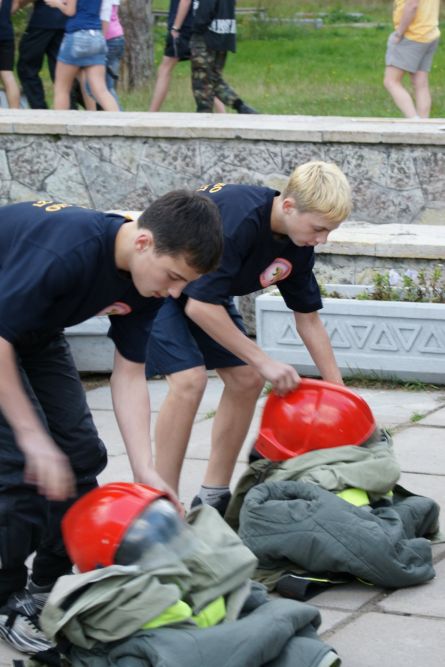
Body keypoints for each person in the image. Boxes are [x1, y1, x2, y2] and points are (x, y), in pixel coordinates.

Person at [0, 192, 223, 654]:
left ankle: (48, 585)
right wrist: (31, 436)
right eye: (174, 277)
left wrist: (145, 470)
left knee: (80, 455)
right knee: (22, 465)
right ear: (143, 242)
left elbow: (129, 374)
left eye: (185, 283)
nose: (175, 293)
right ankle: (5, 601)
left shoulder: (146, 282)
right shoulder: (68, 251)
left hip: (34, 331)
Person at [147, 161, 352, 514]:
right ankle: (161, 502)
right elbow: (200, 308)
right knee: (189, 380)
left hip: (202, 292)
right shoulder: (239, 220)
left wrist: (341, 393)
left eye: (329, 231)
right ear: (289, 206)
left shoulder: (298, 244)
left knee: (246, 379)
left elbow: (308, 320)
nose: (322, 239)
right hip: (155, 283)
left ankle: (213, 496)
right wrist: (265, 360)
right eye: (319, 228)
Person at [149, 0, 224, 112]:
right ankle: (222, 113)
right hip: (200, 24)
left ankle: (152, 113)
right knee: (204, 74)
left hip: (185, 26)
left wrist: (176, 27)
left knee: (165, 68)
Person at [43, 0, 119, 111]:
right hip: (96, 35)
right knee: (101, 90)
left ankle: (59, 121)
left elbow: (70, 11)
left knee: (62, 89)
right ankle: (118, 119)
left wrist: (57, 3)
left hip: (77, 35)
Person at [190, 0, 257, 113]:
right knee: (214, 79)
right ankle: (241, 106)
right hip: (223, 34)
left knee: (201, 80)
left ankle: (204, 115)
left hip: (206, 37)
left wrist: (195, 28)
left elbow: (206, 9)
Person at [383, 0, 440, 118]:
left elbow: (412, 5)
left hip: (412, 35)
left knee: (391, 81)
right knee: (420, 83)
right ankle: (423, 124)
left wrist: (399, 33)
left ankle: (414, 120)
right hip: (429, 32)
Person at [16, 0, 68, 109]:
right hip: (64, 22)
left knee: (26, 67)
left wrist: (15, 6)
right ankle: (70, 107)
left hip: (41, 22)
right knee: (61, 70)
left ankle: (39, 107)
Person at [0, 0, 21, 109]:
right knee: (7, 74)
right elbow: (16, 3)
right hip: (6, 32)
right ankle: (15, 113)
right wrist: (4, 16)